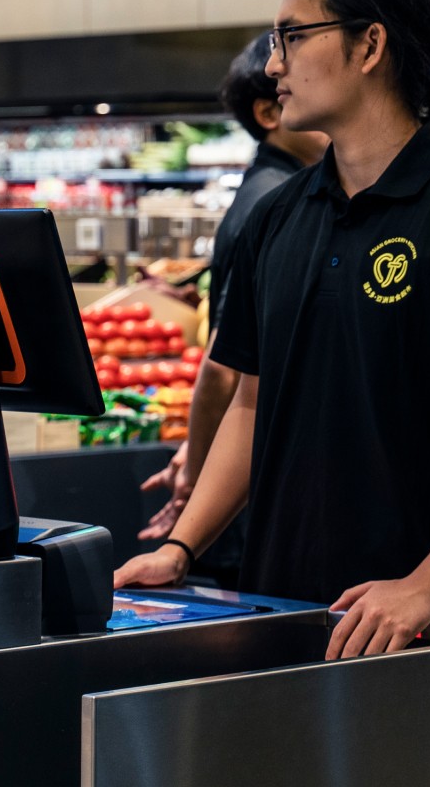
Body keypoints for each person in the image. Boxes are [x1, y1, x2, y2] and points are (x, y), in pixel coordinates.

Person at [115, 0, 430, 659]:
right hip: (285, 608)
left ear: (370, 46)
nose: (274, 65)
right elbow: (251, 404)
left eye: (292, 37)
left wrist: (425, 584)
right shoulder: (279, 218)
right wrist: (182, 546)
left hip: (424, 632)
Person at [137, 34, 329, 588]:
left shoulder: (289, 194)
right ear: (270, 112)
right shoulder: (274, 208)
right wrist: (197, 478)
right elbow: (225, 372)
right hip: (249, 493)